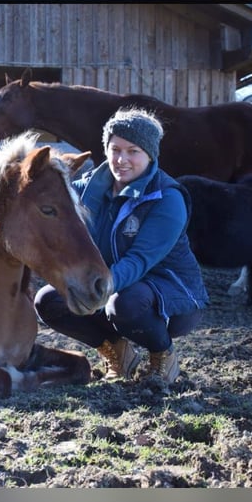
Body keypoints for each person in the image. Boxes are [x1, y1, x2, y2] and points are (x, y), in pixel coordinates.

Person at [34, 107, 209, 383]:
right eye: (115, 149)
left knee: (124, 304)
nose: (121, 160)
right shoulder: (82, 190)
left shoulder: (167, 198)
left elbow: (139, 260)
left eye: (133, 151)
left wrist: (102, 290)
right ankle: (118, 353)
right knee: (48, 300)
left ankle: (163, 356)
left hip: (172, 293)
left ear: (150, 154)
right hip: (113, 287)